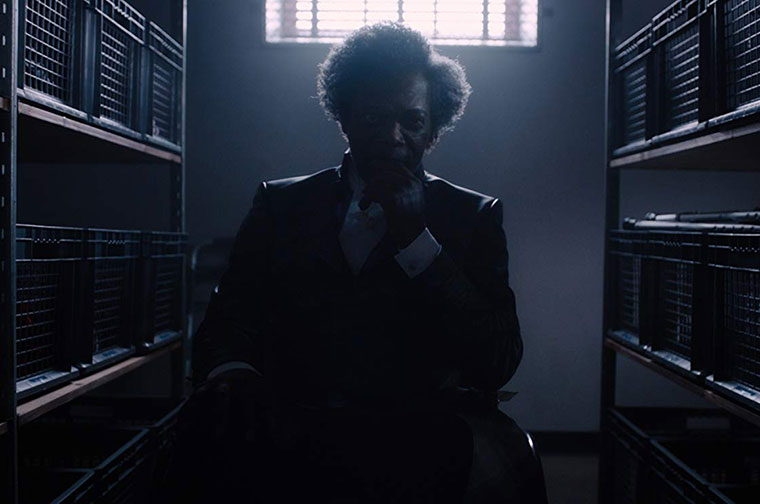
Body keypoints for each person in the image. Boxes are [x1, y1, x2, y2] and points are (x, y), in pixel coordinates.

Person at [178, 21, 543, 504]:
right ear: (344, 117)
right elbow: (225, 323)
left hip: (418, 438)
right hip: (290, 427)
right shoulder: (281, 204)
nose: (393, 136)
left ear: (433, 129)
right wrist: (236, 379)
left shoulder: (473, 216)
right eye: (374, 117)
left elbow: (498, 360)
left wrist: (417, 243)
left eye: (412, 121)